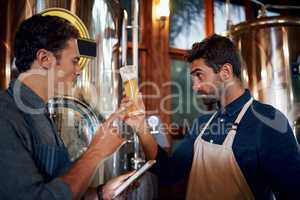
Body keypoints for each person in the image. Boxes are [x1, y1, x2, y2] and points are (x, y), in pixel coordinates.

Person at [120, 34, 300, 199]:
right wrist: (140, 126)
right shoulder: (203, 124)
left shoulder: (267, 122)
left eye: (199, 76)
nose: (194, 87)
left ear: (226, 72)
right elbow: (169, 173)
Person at [0, 14, 134, 200]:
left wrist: (101, 193)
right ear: (45, 59)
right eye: (75, 61)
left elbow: (57, 185)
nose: (79, 71)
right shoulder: (6, 115)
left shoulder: (40, 113)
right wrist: (96, 151)